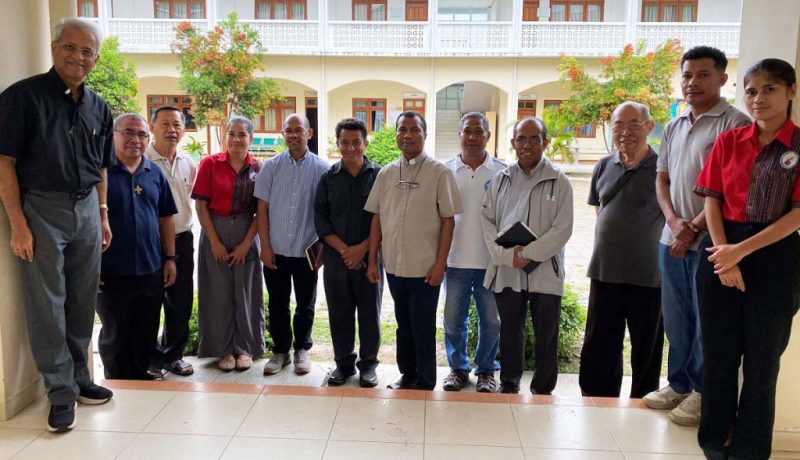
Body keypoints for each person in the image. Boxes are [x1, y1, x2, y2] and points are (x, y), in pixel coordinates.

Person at [0, 17, 114, 432]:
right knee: (46, 302)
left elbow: (101, 167)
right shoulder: (22, 97)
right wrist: (18, 222)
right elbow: (5, 163)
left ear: (95, 60)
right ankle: (60, 392)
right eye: (70, 47)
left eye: (87, 52)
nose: (78, 57)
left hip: (87, 209)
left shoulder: (99, 107)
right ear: (54, 49)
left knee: (82, 299)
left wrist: (103, 214)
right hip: (42, 209)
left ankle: (80, 377)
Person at [694, 58, 800, 460]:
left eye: (769, 89)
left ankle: (750, 448)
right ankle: (716, 438)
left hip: (775, 255)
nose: (758, 98)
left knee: (762, 361)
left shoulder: (798, 146)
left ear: (791, 91)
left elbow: (797, 214)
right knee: (719, 355)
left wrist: (741, 251)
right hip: (721, 247)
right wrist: (726, 256)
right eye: (751, 91)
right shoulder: (729, 141)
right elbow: (712, 200)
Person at [645, 46, 750, 426]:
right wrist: (674, 222)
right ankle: (679, 384)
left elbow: (730, 189)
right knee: (676, 319)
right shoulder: (674, 126)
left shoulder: (735, 124)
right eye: (687, 75)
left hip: (710, 240)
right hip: (670, 238)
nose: (693, 82)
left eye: (703, 75)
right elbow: (662, 180)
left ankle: (704, 393)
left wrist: (692, 229)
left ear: (722, 78)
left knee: (708, 320)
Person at [365, 111, 462, 391]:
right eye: (402, 129)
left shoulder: (439, 173)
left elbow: (448, 221)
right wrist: (372, 261)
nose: (407, 135)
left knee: (423, 324)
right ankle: (407, 374)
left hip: (426, 267)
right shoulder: (386, 173)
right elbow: (377, 218)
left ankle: (426, 380)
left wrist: (440, 264)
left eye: (414, 129)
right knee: (403, 323)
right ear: (396, 134)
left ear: (424, 134)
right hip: (394, 266)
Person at [578, 101, 666, 399]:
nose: (625, 132)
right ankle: (598, 401)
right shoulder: (603, 166)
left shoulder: (662, 168)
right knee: (599, 345)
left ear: (649, 127)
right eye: (618, 125)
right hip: (605, 271)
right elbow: (600, 209)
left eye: (633, 125)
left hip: (648, 276)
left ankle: (643, 402)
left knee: (646, 348)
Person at [481, 116, 573, 394]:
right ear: (513, 143)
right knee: (510, 330)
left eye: (535, 138)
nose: (527, 144)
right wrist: (505, 256)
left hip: (545, 270)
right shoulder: (502, 179)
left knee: (546, 334)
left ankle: (543, 389)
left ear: (545, 142)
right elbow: (487, 220)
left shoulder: (559, 181)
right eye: (521, 138)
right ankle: (509, 383)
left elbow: (563, 228)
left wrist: (529, 253)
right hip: (508, 268)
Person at [96, 113, 177, 380]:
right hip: (110, 271)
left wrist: (170, 258)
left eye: (142, 134)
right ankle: (117, 382)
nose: (136, 139)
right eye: (128, 132)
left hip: (150, 267)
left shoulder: (154, 173)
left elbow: (166, 218)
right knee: (115, 334)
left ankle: (141, 377)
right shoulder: (100, 172)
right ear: (114, 135)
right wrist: (90, 265)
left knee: (146, 329)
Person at [256, 114, 329, 375]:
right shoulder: (271, 167)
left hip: (306, 250)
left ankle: (301, 349)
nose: (294, 135)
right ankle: (280, 351)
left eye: (299, 130)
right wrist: (264, 246)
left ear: (309, 133)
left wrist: (323, 245)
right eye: (289, 130)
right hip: (275, 249)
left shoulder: (322, 168)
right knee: (277, 303)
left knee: (305, 304)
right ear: (283, 135)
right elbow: (261, 209)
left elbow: (326, 212)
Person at [192, 116, 264, 371]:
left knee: (246, 290)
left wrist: (246, 244)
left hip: (247, 231)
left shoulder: (258, 168)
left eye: (242, 134)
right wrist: (214, 241)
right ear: (225, 136)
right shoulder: (210, 164)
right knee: (217, 292)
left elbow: (261, 211)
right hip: (216, 229)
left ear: (250, 138)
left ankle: (245, 348)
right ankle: (222, 350)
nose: (236, 139)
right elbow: (201, 205)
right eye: (231, 133)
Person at [314, 118, 382, 387]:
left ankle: (368, 365)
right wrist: (346, 251)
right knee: (339, 313)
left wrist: (362, 249)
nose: (351, 147)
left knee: (369, 313)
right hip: (336, 258)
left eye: (356, 142)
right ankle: (343, 365)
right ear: (338, 144)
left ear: (366, 143)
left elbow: (384, 218)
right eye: (345, 142)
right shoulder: (328, 178)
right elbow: (320, 220)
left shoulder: (379, 176)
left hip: (370, 257)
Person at [442, 112, 506, 393]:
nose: (472, 136)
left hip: (490, 262)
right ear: (459, 135)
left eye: (479, 131)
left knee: (491, 320)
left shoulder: (502, 172)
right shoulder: (445, 171)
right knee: (453, 320)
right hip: (454, 261)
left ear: (488, 136)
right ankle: (458, 369)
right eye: (467, 131)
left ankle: (487, 370)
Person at [146, 105, 198, 378]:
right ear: (152, 127)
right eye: (165, 124)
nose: (171, 130)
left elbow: (187, 198)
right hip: (150, 242)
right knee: (151, 299)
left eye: (177, 125)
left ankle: (174, 355)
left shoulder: (188, 162)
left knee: (181, 301)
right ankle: (151, 358)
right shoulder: (142, 161)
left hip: (182, 238)